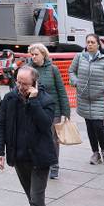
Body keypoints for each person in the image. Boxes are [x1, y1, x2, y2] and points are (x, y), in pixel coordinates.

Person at [0, 64, 56, 206]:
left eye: (24, 84)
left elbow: (45, 124)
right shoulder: (10, 99)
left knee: (37, 200)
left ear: (34, 83)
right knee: (33, 200)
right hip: (19, 158)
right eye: (18, 82)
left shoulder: (46, 100)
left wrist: (34, 101)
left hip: (40, 159)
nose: (19, 86)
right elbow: (1, 124)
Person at [69, 32, 104, 165]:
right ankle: (95, 153)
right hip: (84, 98)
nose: (89, 44)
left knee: (98, 126)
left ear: (97, 44)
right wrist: (76, 82)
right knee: (89, 127)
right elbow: (71, 71)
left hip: (99, 98)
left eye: (92, 42)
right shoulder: (79, 57)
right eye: (88, 42)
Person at [28, 43, 71, 179]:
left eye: (36, 54)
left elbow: (61, 91)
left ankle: (54, 166)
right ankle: (39, 163)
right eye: (32, 55)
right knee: (36, 138)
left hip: (53, 111)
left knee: (53, 140)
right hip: (35, 110)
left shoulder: (53, 69)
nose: (34, 57)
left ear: (43, 55)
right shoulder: (28, 70)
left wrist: (66, 112)